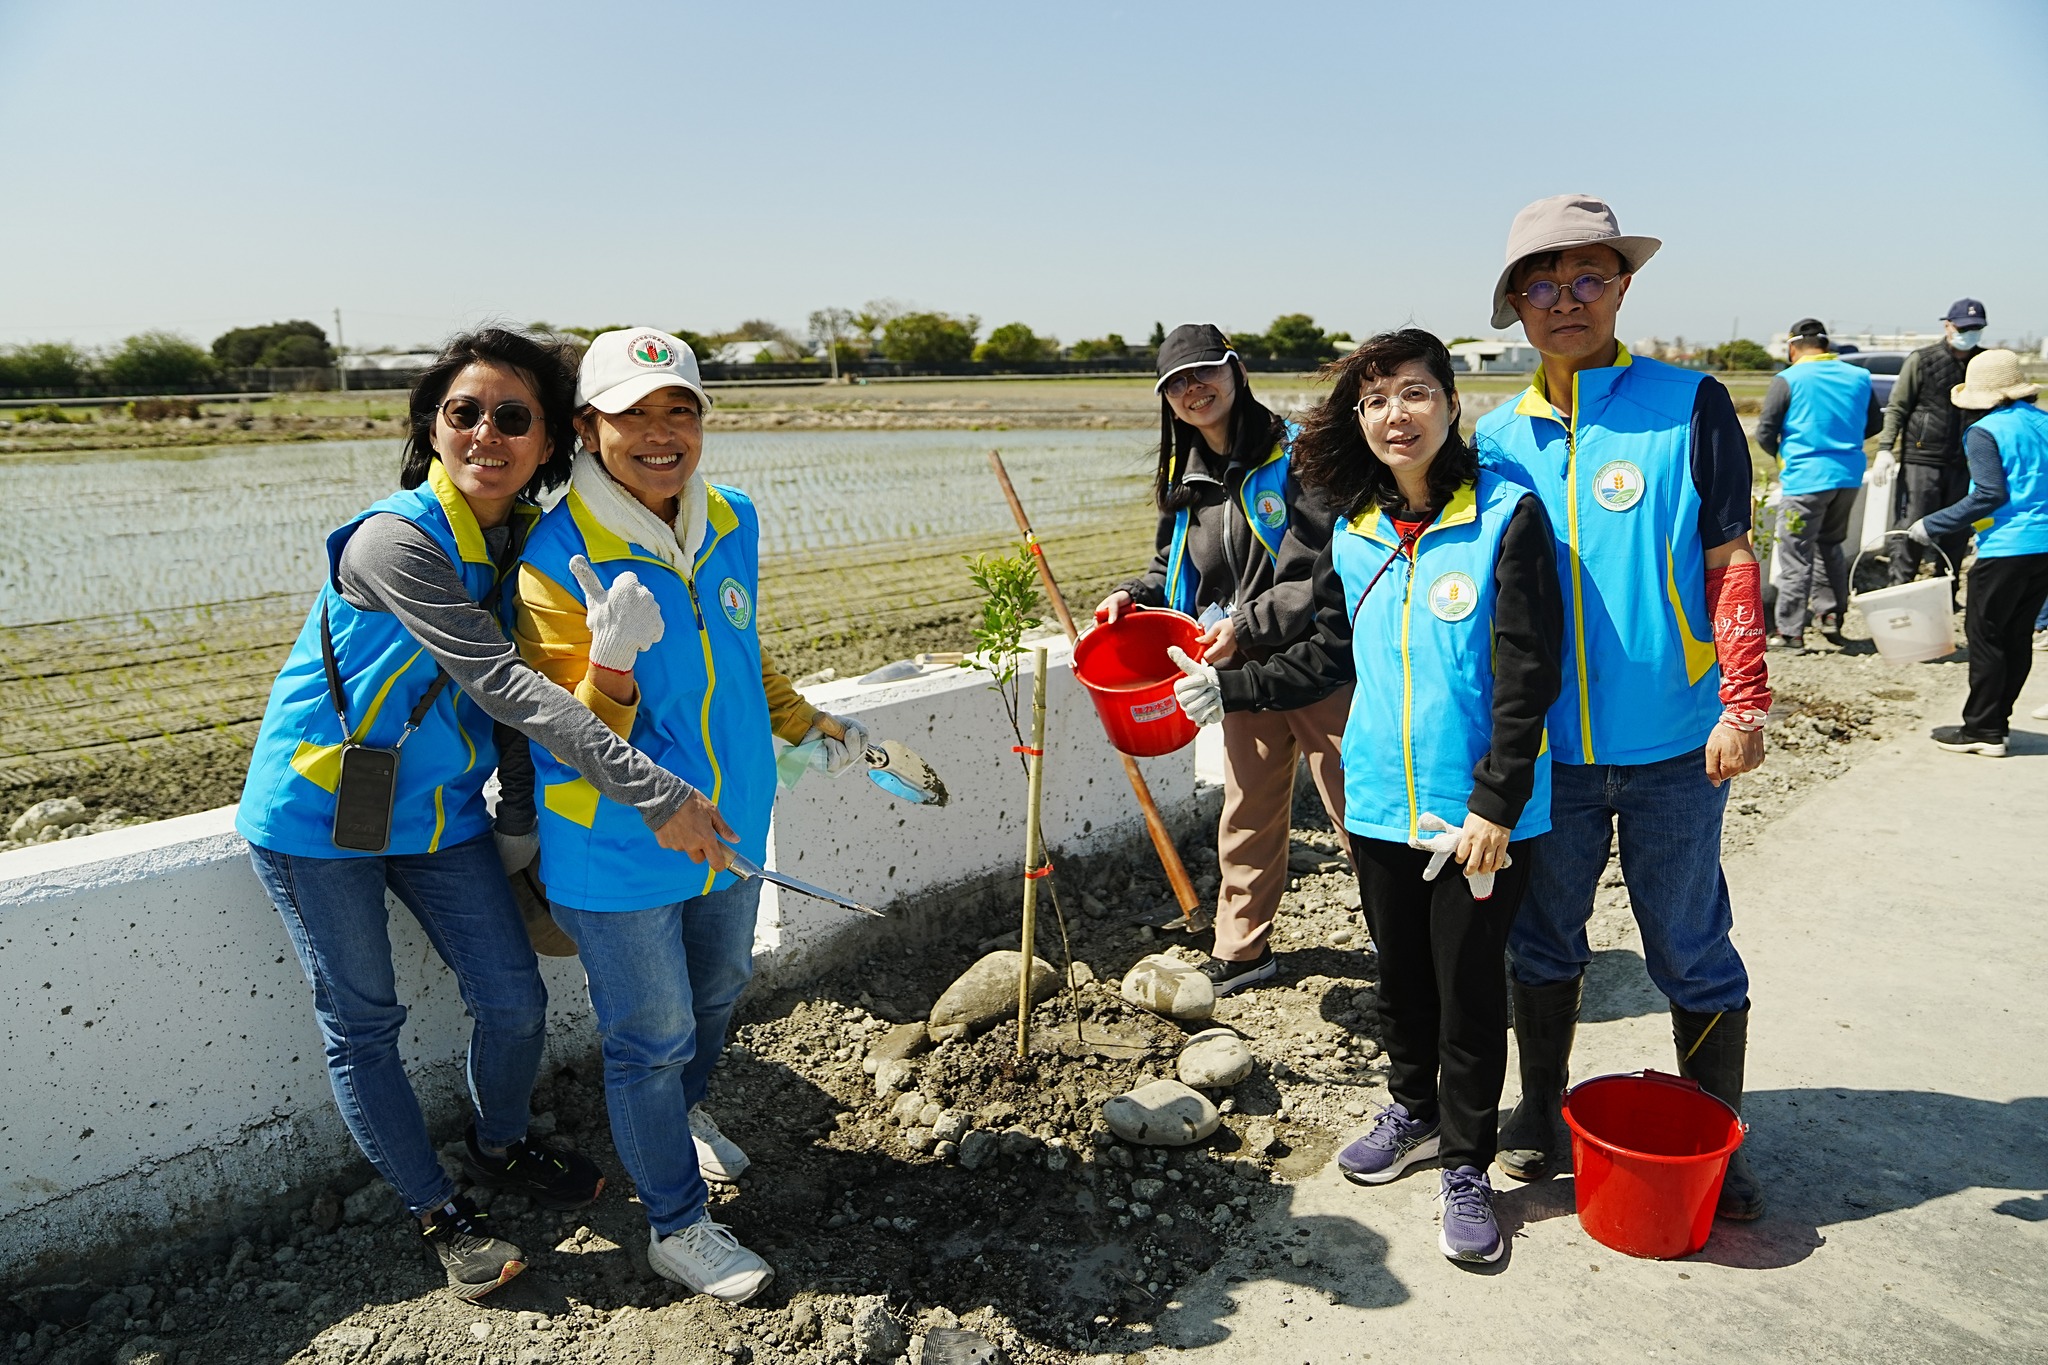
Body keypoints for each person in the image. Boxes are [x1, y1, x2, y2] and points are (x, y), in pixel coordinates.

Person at [236, 328, 711, 1300]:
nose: (486, 432)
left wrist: (518, 820)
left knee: (512, 998)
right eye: (464, 412)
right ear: (432, 428)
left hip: (436, 812)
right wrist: (651, 787)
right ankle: (437, 1208)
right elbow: (501, 684)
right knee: (363, 1019)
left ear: (550, 442)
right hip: (318, 815)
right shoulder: (393, 540)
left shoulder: (524, 542)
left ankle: (499, 1143)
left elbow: (515, 714)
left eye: (513, 415)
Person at [1171, 329, 1561, 1264]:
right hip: (1382, 802)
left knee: (1470, 993)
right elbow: (1326, 656)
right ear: (1360, 419)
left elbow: (1528, 677)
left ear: (1453, 404)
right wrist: (1233, 687)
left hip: (1476, 817)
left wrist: (1497, 805)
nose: (1397, 414)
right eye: (1377, 399)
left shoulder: (1507, 515)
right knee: (1401, 978)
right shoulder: (1356, 529)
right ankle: (1413, 1111)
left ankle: (1466, 1163)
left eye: (1416, 392)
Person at [512, 329, 867, 1304]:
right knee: (650, 1034)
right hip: (618, 840)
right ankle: (676, 1225)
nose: (660, 433)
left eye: (680, 409)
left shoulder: (731, 517)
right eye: (632, 414)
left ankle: (682, 1113)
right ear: (588, 428)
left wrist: (805, 719)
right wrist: (612, 660)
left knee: (715, 993)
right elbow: (566, 737)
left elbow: (740, 644)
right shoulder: (556, 557)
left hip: (732, 823)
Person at [1471, 194, 1771, 1221]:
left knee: (1687, 943)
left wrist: (1743, 701)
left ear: (1622, 287)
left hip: (1677, 743)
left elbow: (1730, 557)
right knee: (1542, 939)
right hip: (1546, 754)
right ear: (1516, 305)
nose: (1566, 300)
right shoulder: (1496, 436)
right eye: (1542, 284)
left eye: (1587, 278)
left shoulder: (1690, 404)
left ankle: (1713, 1129)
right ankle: (1537, 1108)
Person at [1097, 323, 1349, 995]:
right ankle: (1242, 950)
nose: (1193, 389)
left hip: (1317, 660)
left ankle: (1408, 942)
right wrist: (1132, 595)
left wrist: (1244, 624)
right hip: (1236, 672)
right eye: (1176, 383)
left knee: (1355, 804)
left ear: (1235, 370)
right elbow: (1172, 567)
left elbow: (1320, 564)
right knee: (1248, 810)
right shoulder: (1186, 477)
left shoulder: (1296, 453)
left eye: (1204, 371)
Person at [1906, 350, 2048, 756]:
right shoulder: (2043, 422)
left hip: (2007, 547)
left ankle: (1982, 731)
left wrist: (1931, 524)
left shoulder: (1985, 431)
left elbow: (1988, 494)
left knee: (1986, 636)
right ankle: (1998, 721)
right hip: (2044, 548)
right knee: (2017, 636)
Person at [1753, 318, 1883, 650]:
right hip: (1848, 477)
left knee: (1796, 553)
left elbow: (1766, 431)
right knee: (1830, 545)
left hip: (1805, 478)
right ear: (1826, 346)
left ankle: (1790, 631)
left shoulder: (1788, 378)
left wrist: (1784, 455)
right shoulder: (1859, 376)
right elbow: (1875, 423)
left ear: (1792, 348)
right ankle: (1831, 615)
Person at [1876, 299, 1990, 592]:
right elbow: (1898, 406)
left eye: (1976, 328)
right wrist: (1885, 447)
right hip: (1922, 459)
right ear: (1948, 326)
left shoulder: (1984, 363)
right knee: (1912, 526)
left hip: (1966, 461)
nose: (1969, 334)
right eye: (1963, 328)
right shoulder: (1922, 359)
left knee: (1957, 531)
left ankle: (1946, 594)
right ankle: (1900, 590)